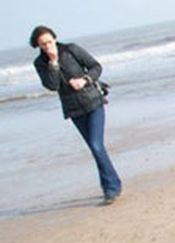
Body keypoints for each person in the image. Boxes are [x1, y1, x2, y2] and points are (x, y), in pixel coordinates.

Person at [31, 25, 122, 204]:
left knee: (96, 145)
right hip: (74, 110)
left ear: (55, 38)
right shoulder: (40, 63)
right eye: (43, 44)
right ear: (38, 46)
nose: (48, 46)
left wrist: (84, 80)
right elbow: (52, 85)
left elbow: (96, 67)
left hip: (93, 102)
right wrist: (53, 62)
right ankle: (112, 185)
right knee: (95, 148)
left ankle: (111, 188)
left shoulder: (71, 50)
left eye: (49, 42)